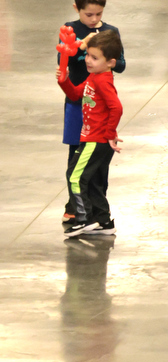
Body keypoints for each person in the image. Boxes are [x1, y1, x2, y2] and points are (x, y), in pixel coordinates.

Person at [57, 23, 122, 238]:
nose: (88, 60)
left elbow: (116, 107)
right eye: (88, 55)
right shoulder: (94, 77)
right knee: (92, 181)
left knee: (75, 177)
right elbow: (76, 95)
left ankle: (83, 219)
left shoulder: (103, 81)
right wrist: (64, 80)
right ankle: (104, 221)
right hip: (92, 139)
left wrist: (110, 133)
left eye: (94, 58)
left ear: (110, 63)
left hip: (96, 140)